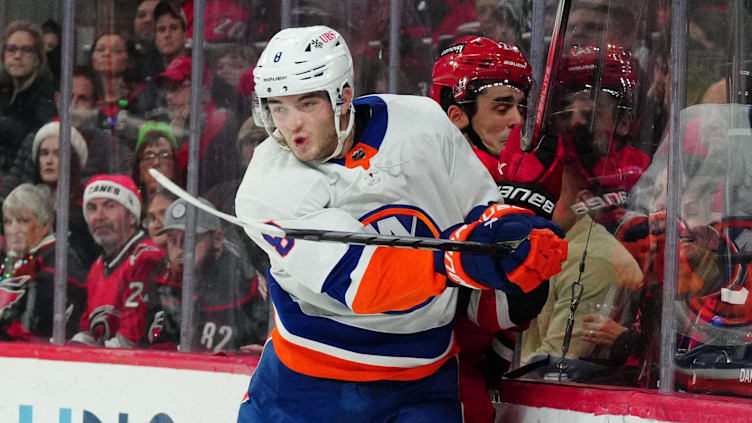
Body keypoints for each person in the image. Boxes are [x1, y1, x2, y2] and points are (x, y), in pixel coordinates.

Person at [235, 25, 568, 422]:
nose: (291, 126)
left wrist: (520, 231)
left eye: (307, 104)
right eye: (278, 108)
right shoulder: (268, 181)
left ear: (342, 97)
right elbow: (361, 280)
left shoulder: (423, 123)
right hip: (306, 392)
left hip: (423, 385)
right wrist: (456, 261)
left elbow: (481, 213)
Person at [430, 35, 563, 423]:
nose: (517, 120)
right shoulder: (424, 181)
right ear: (456, 116)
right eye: (502, 107)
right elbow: (501, 311)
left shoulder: (497, 173)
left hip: (455, 371)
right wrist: (521, 211)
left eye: (520, 107)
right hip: (425, 377)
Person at [145, 198, 269, 351]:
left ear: (217, 239)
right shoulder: (163, 275)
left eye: (190, 239)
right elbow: (155, 343)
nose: (179, 251)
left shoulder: (243, 279)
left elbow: (259, 347)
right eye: (172, 240)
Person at [71, 175, 164, 348]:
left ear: (132, 217)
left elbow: (130, 340)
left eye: (110, 206)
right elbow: (87, 332)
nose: (99, 216)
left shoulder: (146, 258)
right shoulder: (97, 267)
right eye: (92, 208)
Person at [0, 183, 88, 342]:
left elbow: (30, 328)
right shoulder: (17, 260)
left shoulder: (57, 264)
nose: (13, 230)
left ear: (45, 224)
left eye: (23, 221)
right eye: (8, 222)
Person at [156, 56, 241, 195]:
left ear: (202, 89)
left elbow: (184, 172)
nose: (169, 96)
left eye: (176, 88)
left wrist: (173, 142)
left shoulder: (219, 120)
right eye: (167, 89)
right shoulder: (169, 121)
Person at [0, 20, 57, 177]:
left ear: (38, 58)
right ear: (3, 56)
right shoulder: (4, 91)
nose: (18, 56)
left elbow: (36, 141)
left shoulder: (47, 96)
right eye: (11, 49)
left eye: (26, 50)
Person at [133, 120, 183, 203]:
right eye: (148, 157)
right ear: (139, 170)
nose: (156, 162)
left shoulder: (188, 208)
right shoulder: (132, 210)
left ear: (175, 165)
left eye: (164, 155)